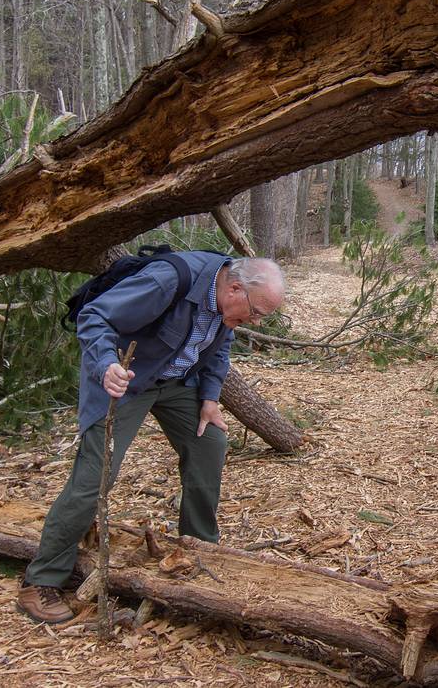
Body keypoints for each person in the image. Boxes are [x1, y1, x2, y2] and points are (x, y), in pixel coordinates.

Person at [17, 252, 284, 623]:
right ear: (235, 288)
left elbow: (220, 345)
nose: (252, 321)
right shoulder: (169, 280)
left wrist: (209, 397)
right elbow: (95, 316)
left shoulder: (228, 304)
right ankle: (41, 580)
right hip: (124, 382)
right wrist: (105, 364)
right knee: (97, 474)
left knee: (210, 443)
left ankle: (197, 550)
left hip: (174, 382)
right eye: (255, 312)